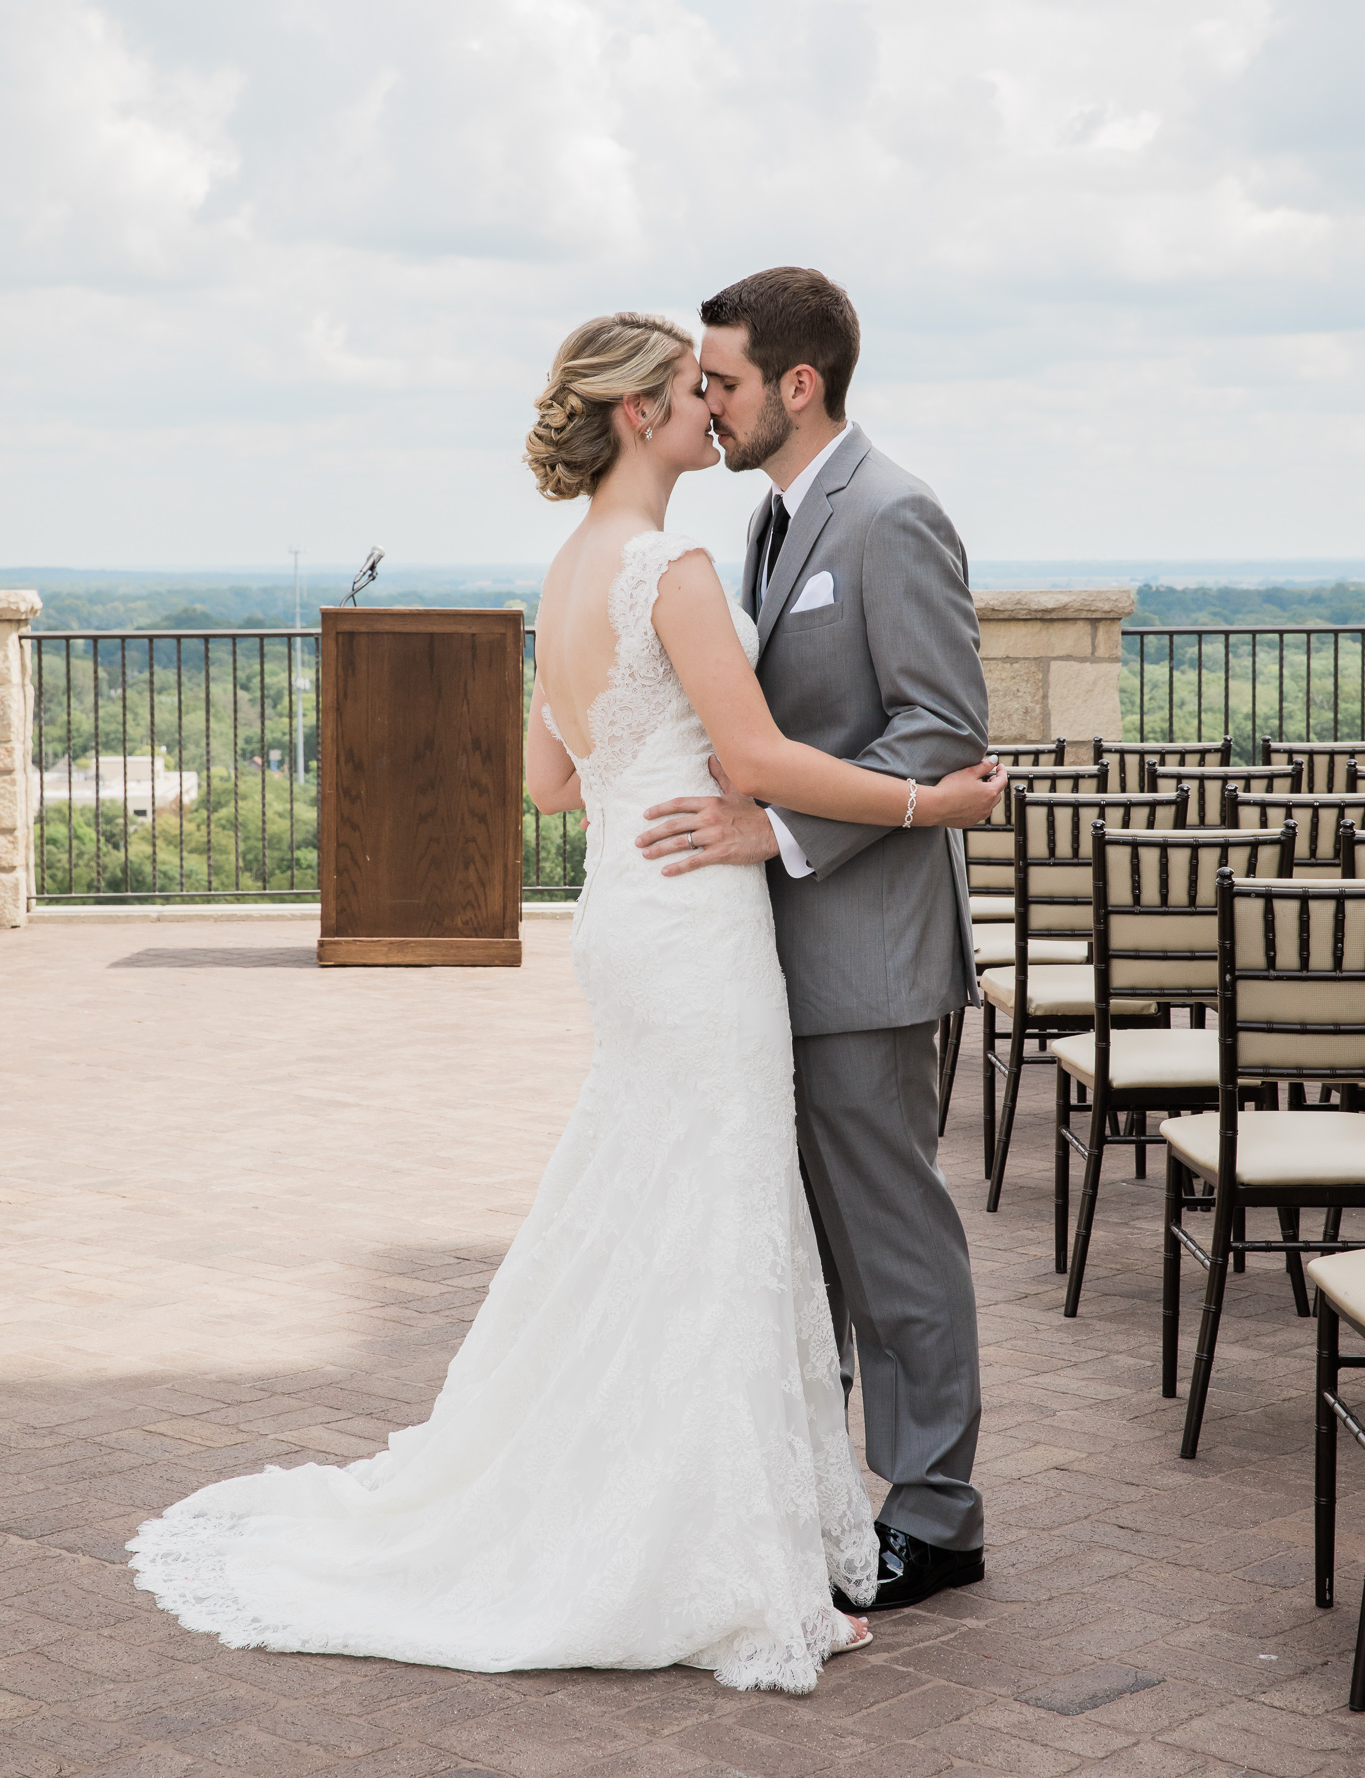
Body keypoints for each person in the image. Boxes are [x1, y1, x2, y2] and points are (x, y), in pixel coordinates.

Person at [127, 307, 1003, 1694]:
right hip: (698, 926)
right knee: (714, 1221)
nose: (708, 408)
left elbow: (551, 782)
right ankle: (707, 1535)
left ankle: (712, 1508)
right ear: (637, 416)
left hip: (630, 913)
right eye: (686, 390)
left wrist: (685, 788)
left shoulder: (572, 565)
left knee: (676, 1212)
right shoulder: (677, 562)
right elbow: (759, 754)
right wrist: (924, 801)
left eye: (718, 383)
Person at [637, 267, 991, 1611]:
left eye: (720, 381)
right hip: (774, 958)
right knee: (812, 1247)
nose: (703, 403)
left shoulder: (891, 514)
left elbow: (939, 729)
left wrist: (776, 835)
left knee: (892, 1245)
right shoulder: (777, 524)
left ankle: (939, 1517)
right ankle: (832, 1497)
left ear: (798, 383)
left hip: (869, 953)